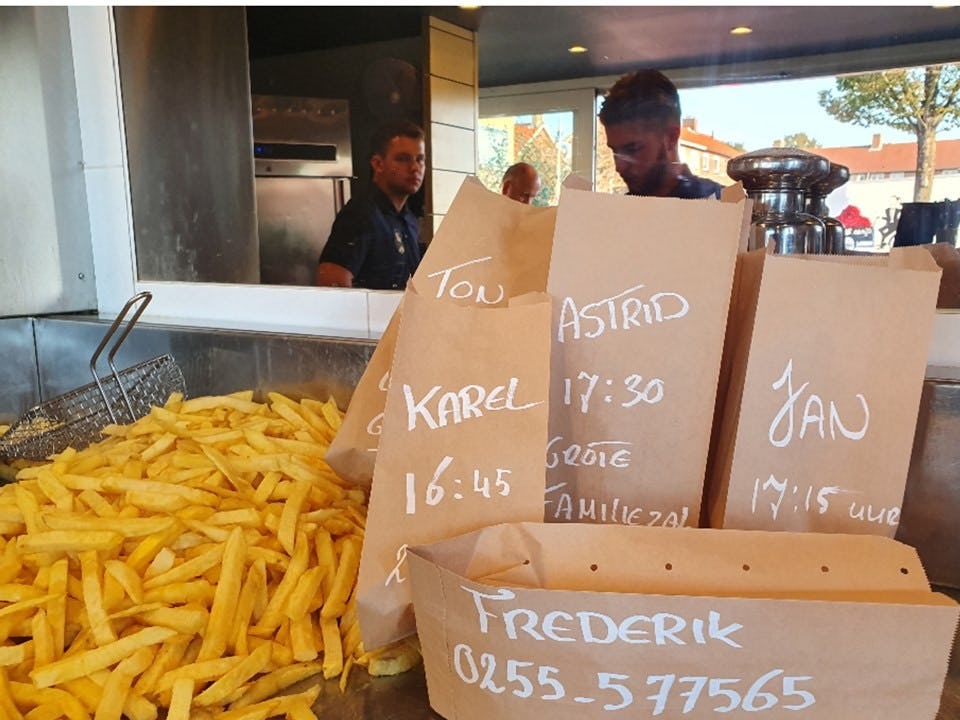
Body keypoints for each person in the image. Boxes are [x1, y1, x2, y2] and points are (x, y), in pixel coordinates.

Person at [317, 120, 425, 289]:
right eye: (402, 159)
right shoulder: (360, 214)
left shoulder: (409, 220)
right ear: (378, 164)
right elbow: (332, 284)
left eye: (420, 159)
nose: (415, 168)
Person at [598, 69, 724, 199]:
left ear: (671, 137)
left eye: (632, 149)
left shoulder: (725, 208)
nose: (619, 167)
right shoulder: (617, 213)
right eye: (615, 152)